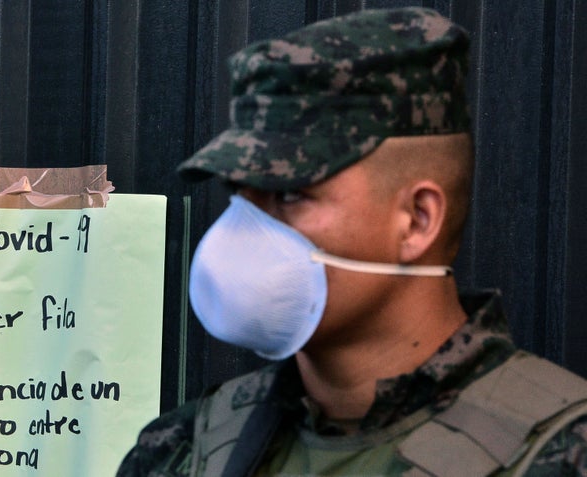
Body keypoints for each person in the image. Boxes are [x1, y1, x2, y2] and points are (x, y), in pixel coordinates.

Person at [117, 7, 587, 476]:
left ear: (417, 221)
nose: (245, 230)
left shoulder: (562, 455)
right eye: (241, 194)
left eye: (289, 194)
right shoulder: (182, 449)